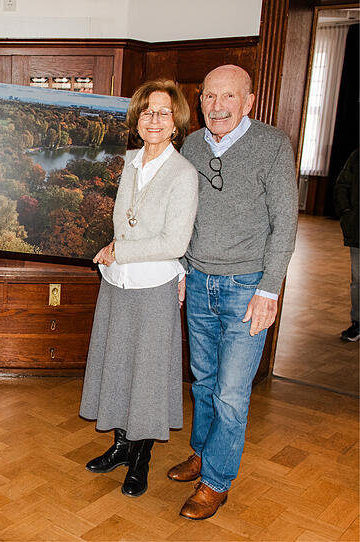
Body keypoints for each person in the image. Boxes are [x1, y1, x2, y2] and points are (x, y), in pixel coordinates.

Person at [168, 64, 298, 520]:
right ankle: (202, 453)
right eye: (209, 96)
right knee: (203, 382)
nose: (217, 106)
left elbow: (285, 225)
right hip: (199, 280)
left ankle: (217, 481)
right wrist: (182, 269)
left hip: (247, 288)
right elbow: (184, 216)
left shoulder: (272, 145)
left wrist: (270, 290)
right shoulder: (191, 145)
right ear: (200, 100)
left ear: (248, 102)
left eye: (228, 97)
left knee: (230, 392)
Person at [79, 79, 198, 498]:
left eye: (163, 112)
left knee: (147, 375)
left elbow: (175, 243)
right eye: (147, 111)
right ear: (136, 118)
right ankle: (121, 446)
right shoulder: (122, 162)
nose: (154, 119)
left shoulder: (184, 174)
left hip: (152, 287)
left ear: (176, 122)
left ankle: (141, 457)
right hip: (115, 283)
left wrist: (120, 251)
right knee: (118, 366)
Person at [334, 149, 359, 341]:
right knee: (358, 282)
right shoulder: (357, 155)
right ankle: (357, 324)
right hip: (358, 230)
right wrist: (347, 212)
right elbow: (342, 185)